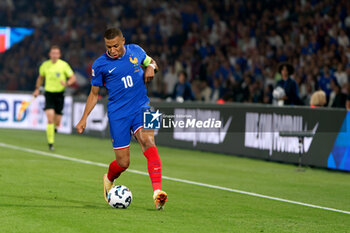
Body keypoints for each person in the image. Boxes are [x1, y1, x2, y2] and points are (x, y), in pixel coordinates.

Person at [75, 28, 168, 210]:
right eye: (108, 46)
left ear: (123, 41)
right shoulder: (100, 65)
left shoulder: (136, 51)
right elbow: (94, 95)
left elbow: (153, 63)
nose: (112, 50)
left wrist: (150, 67)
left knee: (149, 141)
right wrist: (84, 118)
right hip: (118, 114)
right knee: (123, 162)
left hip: (143, 105)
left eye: (116, 46)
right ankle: (108, 178)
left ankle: (158, 193)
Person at [33, 45, 76, 151]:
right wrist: (37, 89)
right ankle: (50, 144)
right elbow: (40, 78)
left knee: (57, 121)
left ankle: (55, 128)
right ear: (50, 54)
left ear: (59, 55)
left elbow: (73, 78)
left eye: (56, 53)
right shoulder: (45, 65)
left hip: (60, 94)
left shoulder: (64, 65)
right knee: (50, 118)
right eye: (53, 53)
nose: (54, 55)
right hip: (49, 94)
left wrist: (67, 83)